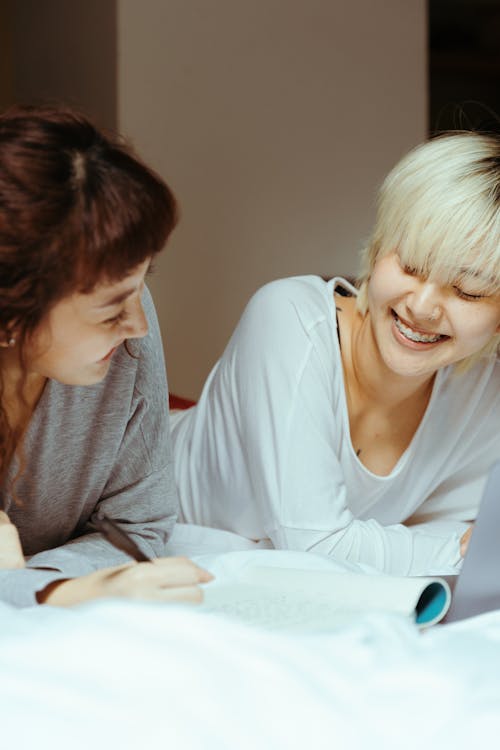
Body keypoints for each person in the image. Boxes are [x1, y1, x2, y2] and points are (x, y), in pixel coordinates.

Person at [171, 130, 500, 576]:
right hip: (146, 510)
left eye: (467, 290)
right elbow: (315, 543)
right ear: (380, 247)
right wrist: (463, 551)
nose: (420, 308)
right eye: (410, 266)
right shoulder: (288, 318)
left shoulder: (484, 388)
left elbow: (474, 529)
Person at [0, 104, 212, 607]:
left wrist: (53, 584)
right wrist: (54, 593)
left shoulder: (130, 335)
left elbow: (139, 522)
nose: (138, 327)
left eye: (142, 284)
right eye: (110, 307)